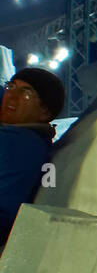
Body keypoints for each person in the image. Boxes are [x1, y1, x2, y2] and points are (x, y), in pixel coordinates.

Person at [0, 68, 64, 247]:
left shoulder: (20, 146)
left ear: (45, 112)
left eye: (26, 94)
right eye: (11, 87)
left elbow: (5, 211)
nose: (12, 96)